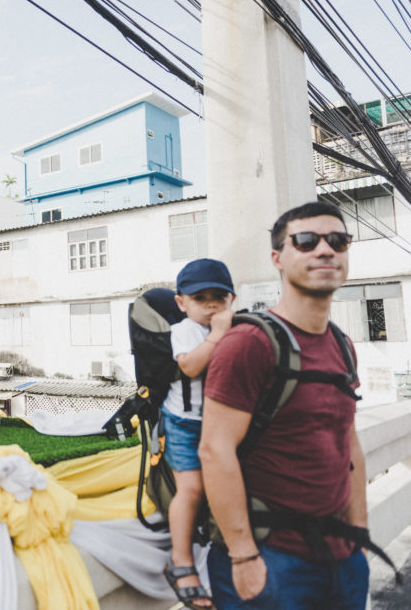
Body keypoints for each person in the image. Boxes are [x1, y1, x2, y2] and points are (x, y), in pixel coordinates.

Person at [200, 201, 367, 609]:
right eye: (306, 241)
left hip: (341, 557)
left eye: (338, 241)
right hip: (271, 561)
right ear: (277, 258)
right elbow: (214, 450)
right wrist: (243, 556)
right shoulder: (249, 345)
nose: (325, 250)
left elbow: (348, 444)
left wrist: (358, 536)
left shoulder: (342, 345)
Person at [162, 258, 235, 610]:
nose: (209, 306)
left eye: (218, 298)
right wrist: (219, 335)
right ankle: (180, 561)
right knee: (191, 489)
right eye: (199, 298)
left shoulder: (235, 327)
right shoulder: (186, 330)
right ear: (182, 303)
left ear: (230, 300)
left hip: (219, 422)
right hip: (184, 423)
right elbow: (190, 365)